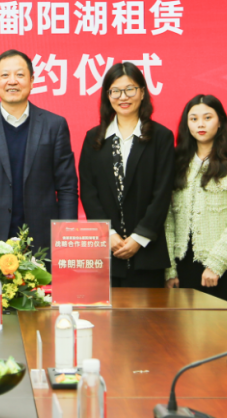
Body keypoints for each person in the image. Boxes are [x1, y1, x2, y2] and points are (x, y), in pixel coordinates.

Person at [0, 49, 78, 254]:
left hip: (42, 244)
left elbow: (67, 188)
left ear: (32, 81)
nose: (12, 81)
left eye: (20, 75)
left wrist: (65, 241)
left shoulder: (54, 125)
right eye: (5, 75)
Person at [78, 62, 173, 288]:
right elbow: (88, 192)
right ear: (107, 95)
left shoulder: (161, 137)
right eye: (116, 91)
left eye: (130, 89)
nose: (123, 97)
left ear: (142, 92)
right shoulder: (94, 138)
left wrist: (139, 238)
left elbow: (163, 193)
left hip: (147, 255)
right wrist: (108, 234)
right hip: (106, 254)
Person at [164, 95, 227, 307]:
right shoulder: (176, 164)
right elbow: (167, 220)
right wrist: (170, 270)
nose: (201, 124)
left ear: (220, 121)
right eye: (194, 119)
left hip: (224, 270)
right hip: (182, 270)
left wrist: (216, 265)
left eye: (207, 117)